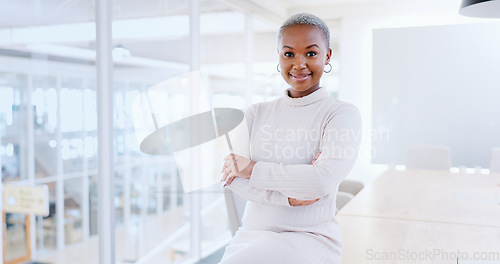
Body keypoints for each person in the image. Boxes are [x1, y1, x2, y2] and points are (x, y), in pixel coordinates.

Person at [219, 13, 362, 264]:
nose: (299, 64)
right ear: (278, 56)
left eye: (310, 53)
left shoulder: (340, 114)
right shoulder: (254, 113)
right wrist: (289, 197)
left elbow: (320, 182)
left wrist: (252, 169)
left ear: (327, 56)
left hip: (309, 237)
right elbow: (233, 180)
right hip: (251, 234)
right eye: (288, 54)